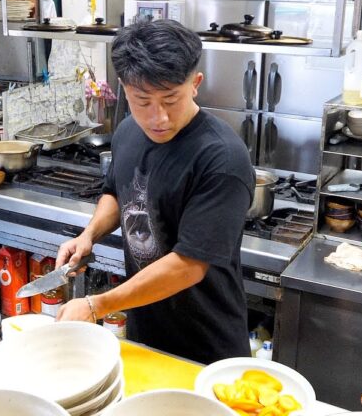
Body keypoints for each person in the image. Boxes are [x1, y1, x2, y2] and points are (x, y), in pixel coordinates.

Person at [55, 19, 256, 364]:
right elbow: (117, 192)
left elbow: (188, 266)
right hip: (145, 335)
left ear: (195, 84)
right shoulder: (129, 130)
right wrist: (90, 234)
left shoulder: (221, 158)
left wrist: (96, 304)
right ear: (124, 88)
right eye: (142, 100)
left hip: (207, 349)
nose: (157, 117)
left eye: (170, 99)